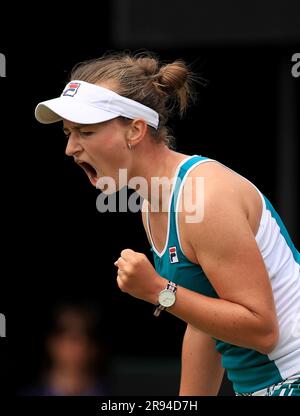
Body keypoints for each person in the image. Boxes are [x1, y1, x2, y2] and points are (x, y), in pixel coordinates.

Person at [35, 51, 300, 396]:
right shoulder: (152, 202)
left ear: (135, 130)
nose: (71, 148)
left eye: (85, 131)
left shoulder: (206, 198)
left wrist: (158, 291)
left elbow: (262, 330)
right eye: (68, 133)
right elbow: (205, 322)